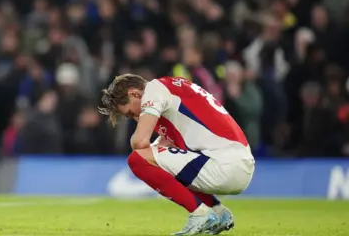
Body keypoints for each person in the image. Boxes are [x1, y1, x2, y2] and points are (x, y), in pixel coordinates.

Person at [99, 74, 254, 235]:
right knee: (152, 162)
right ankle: (218, 212)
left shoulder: (154, 89)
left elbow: (140, 142)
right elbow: (161, 152)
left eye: (131, 113)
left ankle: (200, 214)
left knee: (136, 160)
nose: (137, 118)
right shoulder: (173, 89)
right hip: (238, 162)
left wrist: (143, 153)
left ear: (134, 94)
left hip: (224, 165)